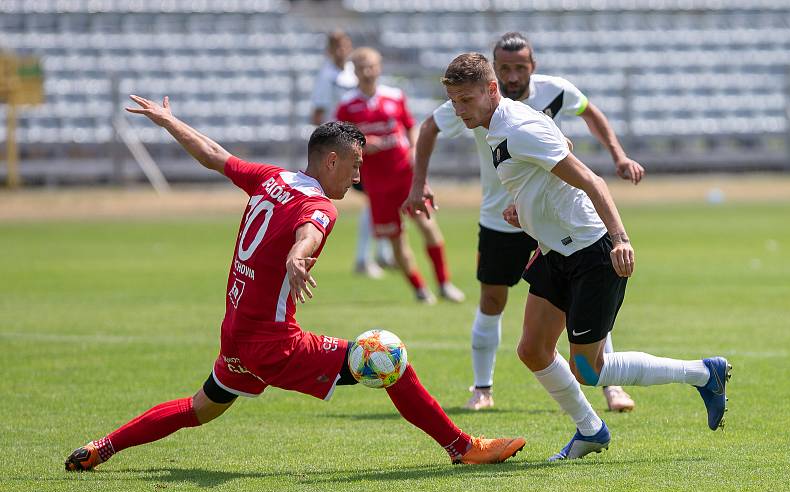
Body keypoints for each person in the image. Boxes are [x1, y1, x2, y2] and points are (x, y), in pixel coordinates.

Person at [64, 95, 526, 472]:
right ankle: (462, 446)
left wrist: (169, 121)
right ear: (330, 161)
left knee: (198, 408)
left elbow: (215, 156)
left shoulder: (271, 178)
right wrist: (297, 257)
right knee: (387, 358)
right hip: (273, 344)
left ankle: (103, 447)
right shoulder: (323, 208)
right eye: (355, 165)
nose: (359, 175)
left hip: (237, 335)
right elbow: (308, 233)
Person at [433, 53, 731, 461]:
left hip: (591, 251)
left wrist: (620, 238)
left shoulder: (516, 127)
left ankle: (703, 373)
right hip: (557, 251)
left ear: (491, 90)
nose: (459, 110)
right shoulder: (501, 124)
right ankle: (591, 430)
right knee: (533, 349)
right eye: (453, 102)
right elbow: (553, 154)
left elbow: (590, 179)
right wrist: (525, 208)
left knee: (589, 370)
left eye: (466, 100)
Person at [408, 33, 640, 413]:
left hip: (556, 220)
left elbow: (583, 128)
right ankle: (483, 389)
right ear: (495, 70)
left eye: (520, 67)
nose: (514, 74)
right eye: (505, 66)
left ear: (531, 66)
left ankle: (610, 387)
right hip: (504, 218)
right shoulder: (471, 103)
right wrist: (419, 182)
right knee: (495, 302)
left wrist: (617, 156)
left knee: (585, 303)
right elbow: (429, 127)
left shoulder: (542, 100)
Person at [336, 47, 464, 304]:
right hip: (377, 184)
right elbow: (338, 141)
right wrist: (361, 145)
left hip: (405, 176)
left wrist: (415, 149)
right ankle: (420, 289)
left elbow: (410, 127)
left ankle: (444, 283)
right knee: (396, 239)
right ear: (355, 72)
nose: (368, 72)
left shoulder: (394, 97)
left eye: (371, 66)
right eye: (362, 68)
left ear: (379, 67)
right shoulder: (347, 107)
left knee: (427, 225)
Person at [309, 30, 392, 279]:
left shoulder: (349, 73)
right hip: (341, 145)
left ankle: (380, 253)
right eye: (336, 46)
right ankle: (366, 257)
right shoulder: (327, 77)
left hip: (356, 144)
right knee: (372, 198)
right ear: (329, 50)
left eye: (345, 44)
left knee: (377, 198)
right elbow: (317, 114)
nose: (341, 50)